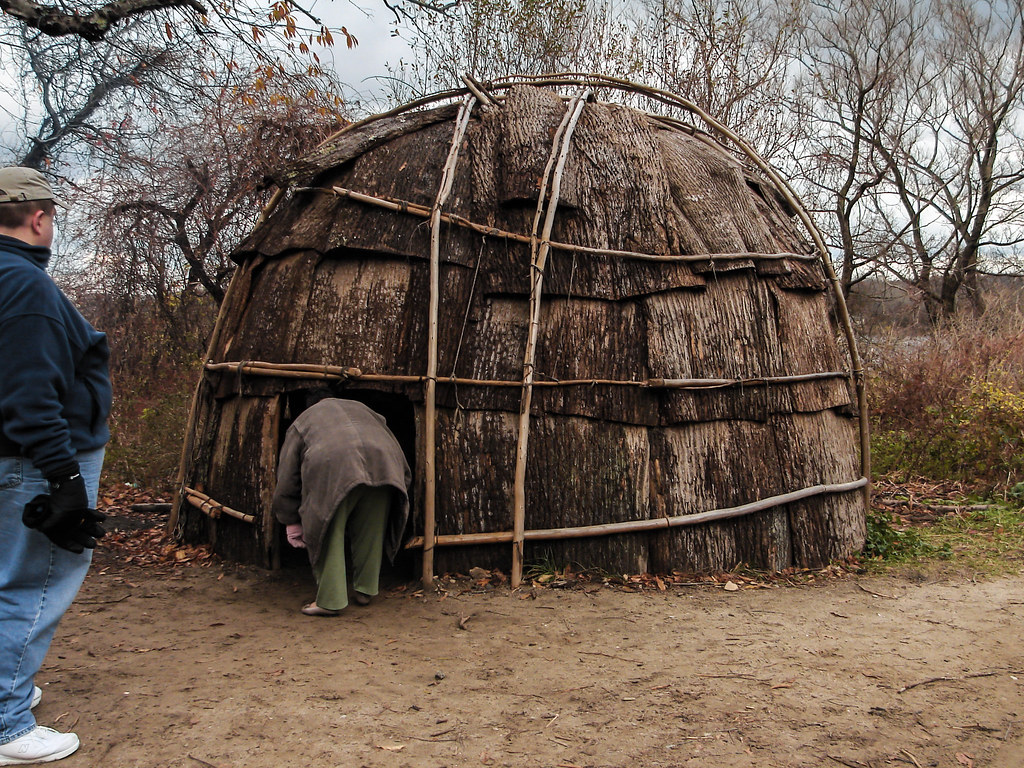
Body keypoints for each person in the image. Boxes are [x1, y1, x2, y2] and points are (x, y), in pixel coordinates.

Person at [0, 167, 111, 764]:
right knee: (33, 585)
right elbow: (30, 394)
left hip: (14, 458)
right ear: (39, 218)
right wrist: (65, 481)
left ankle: (5, 690)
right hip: (34, 462)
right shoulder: (24, 286)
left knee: (8, 579)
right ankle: (5, 724)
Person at [272, 397, 411, 616]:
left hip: (335, 465)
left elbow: (287, 476)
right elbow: (391, 440)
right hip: (385, 464)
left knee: (327, 528)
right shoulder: (366, 409)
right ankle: (366, 589)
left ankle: (330, 601)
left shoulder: (303, 422)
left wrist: (289, 518)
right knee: (371, 531)